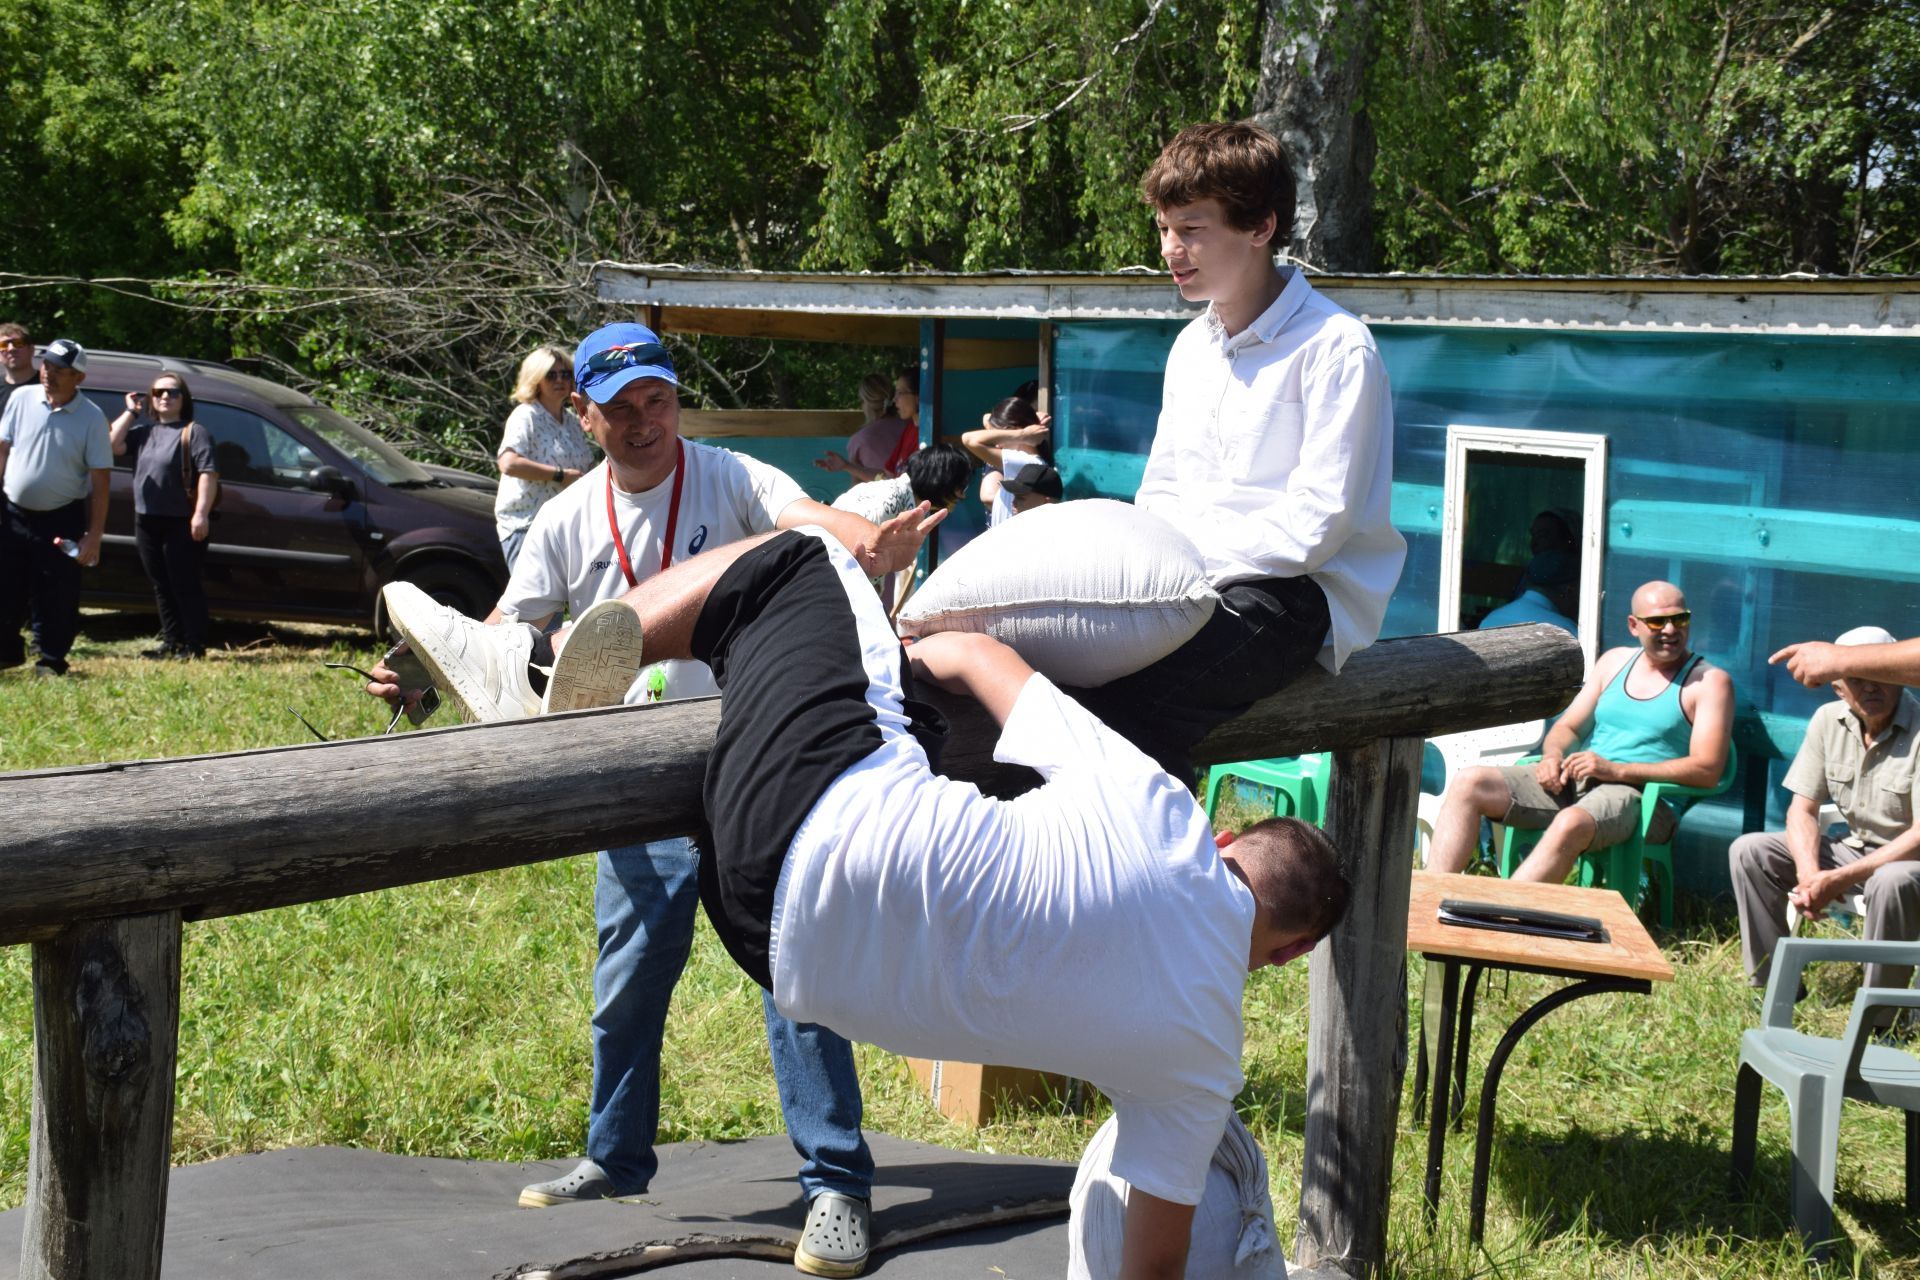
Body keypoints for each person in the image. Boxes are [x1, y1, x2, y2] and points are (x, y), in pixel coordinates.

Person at [380, 522, 1350, 1280]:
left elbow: (979, 658)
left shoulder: (1159, 811)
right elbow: (1153, 1262)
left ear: (1228, 841)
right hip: (776, 945)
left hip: (814, 809)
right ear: (1285, 954)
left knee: (803, 564)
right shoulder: (1200, 1066)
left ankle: (531, 665)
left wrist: (902, 647)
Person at [371, 322, 938, 1278]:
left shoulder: (727, 476)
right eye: (623, 409)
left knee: (793, 974)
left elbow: (804, 515)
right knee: (627, 978)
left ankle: (836, 1185)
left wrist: (866, 540)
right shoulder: (562, 521)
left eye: (660, 402)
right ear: (583, 417)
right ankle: (615, 1158)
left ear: (677, 401)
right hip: (633, 775)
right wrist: (424, 673)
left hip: (758, 765)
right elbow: (516, 627)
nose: (646, 424)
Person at [1056, 121, 1405, 782]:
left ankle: (1151, 875)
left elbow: (1317, 527)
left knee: (1133, 707)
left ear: (1261, 228)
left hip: (1293, 597)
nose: (1170, 249)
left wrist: (1193, 573)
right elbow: (1161, 491)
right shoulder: (1192, 346)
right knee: (1061, 678)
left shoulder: (1336, 346)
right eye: (1163, 229)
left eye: (1191, 229)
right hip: (1191, 584)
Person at [1426, 580, 1735, 883]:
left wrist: (1617, 770)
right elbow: (1569, 727)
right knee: (1470, 782)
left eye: (1679, 619)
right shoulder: (1614, 662)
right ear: (1633, 625)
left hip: (1646, 800)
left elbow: (1707, 769)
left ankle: (1506, 918)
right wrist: (1552, 756)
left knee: (1570, 822)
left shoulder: (1709, 682)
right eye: (1657, 622)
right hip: (1582, 783)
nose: (1670, 629)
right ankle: (1424, 906)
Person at [1732, 625, 1920, 1008]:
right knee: (1750, 851)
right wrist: (1809, 876)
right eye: (1857, 678)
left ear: (1901, 678)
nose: (1871, 687)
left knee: (1891, 880)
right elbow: (1802, 809)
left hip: (1907, 864)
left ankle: (1884, 1014)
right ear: (1838, 687)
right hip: (1856, 852)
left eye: (1882, 676)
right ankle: (1775, 990)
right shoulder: (1827, 720)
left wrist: (1839, 878)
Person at [0, 338, 111, 677]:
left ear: (79, 378)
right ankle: (5, 653)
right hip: (12, 512)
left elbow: (101, 483)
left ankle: (51, 660)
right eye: (47, 366)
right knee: (5, 585)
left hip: (61, 517)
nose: (49, 374)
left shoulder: (92, 418)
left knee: (57, 592)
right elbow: (3, 449)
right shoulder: (21, 398)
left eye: (60, 370)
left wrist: (94, 535)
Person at [109, 372, 219, 659]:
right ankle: (172, 642)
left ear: (184, 399)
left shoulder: (195, 432)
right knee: (161, 583)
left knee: (184, 582)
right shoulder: (143, 432)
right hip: (147, 519)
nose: (165, 397)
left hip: (181, 520)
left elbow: (209, 473)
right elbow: (112, 445)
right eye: (158, 393)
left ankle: (194, 645)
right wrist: (131, 412)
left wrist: (201, 515)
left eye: (173, 392)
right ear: (151, 399)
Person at [493, 344, 595, 569]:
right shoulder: (526, 415)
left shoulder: (571, 420)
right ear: (536, 378)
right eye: (551, 375)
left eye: (565, 374)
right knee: (535, 604)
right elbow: (508, 463)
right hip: (526, 526)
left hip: (565, 528)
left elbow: (588, 467)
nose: (560, 380)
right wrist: (560, 475)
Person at [961, 396, 1056, 527]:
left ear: (1013, 430)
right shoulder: (1027, 461)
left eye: (999, 436)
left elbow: (968, 439)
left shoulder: (1025, 462)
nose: (998, 445)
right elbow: (987, 419)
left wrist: (1022, 435)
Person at [817, 369, 919, 483]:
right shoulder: (909, 429)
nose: (895, 399)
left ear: (918, 396)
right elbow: (887, 478)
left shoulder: (922, 433)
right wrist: (846, 466)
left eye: (900, 392)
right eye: (895, 393)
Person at [0, 322, 35, 416]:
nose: (11, 349)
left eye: (18, 343)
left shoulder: (48, 385)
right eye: (3, 345)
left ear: (31, 350)